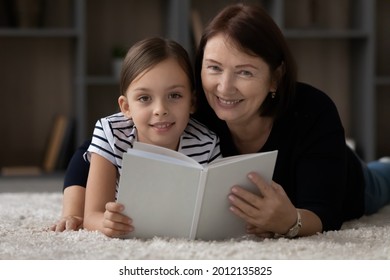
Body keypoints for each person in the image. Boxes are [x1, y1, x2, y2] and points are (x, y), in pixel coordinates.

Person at [51, 3, 390, 238]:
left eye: (244, 72)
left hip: (346, 181)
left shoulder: (313, 110)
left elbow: (326, 211)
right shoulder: (188, 103)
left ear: (274, 78)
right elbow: (94, 148)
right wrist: (75, 213)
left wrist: (292, 221)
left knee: (382, 180)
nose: (224, 88)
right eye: (213, 68)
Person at [50, 37, 221, 237]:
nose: (160, 110)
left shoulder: (207, 143)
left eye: (174, 95)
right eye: (144, 98)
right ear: (126, 107)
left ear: (192, 102)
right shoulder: (111, 133)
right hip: (86, 169)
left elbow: (212, 215)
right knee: (77, 195)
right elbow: (93, 216)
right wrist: (105, 224)